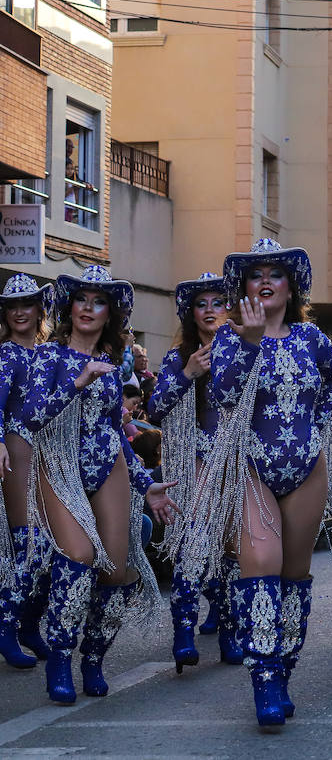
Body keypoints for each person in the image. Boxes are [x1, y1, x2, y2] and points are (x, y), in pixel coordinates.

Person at [174, 239, 332, 727]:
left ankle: (284, 669)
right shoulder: (229, 338)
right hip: (249, 468)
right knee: (262, 565)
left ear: (291, 286)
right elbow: (226, 396)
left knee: (294, 577)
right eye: (256, 274)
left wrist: (319, 421)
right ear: (244, 288)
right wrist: (250, 342)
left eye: (277, 273)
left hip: (307, 468)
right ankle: (264, 682)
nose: (266, 280)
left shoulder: (311, 337)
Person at [21, 265, 178, 703]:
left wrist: (146, 483)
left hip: (108, 465)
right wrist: (76, 383)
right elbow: (32, 419)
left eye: (99, 301)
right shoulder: (48, 358)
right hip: (60, 466)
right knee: (78, 555)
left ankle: (93, 657)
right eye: (82, 300)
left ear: (110, 314)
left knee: (117, 569)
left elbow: (116, 430)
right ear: (70, 308)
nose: (89, 308)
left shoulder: (110, 368)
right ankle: (59, 657)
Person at [147, 272, 238, 673]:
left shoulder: (246, 350)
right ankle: (183, 632)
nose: (209, 311)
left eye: (217, 303)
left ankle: (230, 629)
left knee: (234, 549)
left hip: (240, 462)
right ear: (191, 313)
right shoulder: (179, 355)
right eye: (201, 304)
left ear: (231, 308)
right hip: (196, 463)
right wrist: (188, 373)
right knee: (194, 544)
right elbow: (154, 410)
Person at [0, 274, 53, 670]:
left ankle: (30, 626)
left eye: (27, 304)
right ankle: (6, 627)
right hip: (16, 449)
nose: (19, 311)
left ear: (40, 311)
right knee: (31, 544)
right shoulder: (6, 355)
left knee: (54, 545)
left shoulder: (49, 354)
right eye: (12, 305)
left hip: (51, 456)